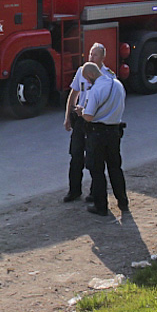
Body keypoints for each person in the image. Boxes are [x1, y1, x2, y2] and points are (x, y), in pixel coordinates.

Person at [62, 43, 114, 203]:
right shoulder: (82, 71)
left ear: (102, 57)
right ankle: (74, 191)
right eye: (90, 54)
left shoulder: (108, 76)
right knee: (75, 155)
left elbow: (108, 102)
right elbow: (74, 93)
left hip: (96, 122)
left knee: (94, 159)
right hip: (80, 119)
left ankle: (94, 193)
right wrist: (68, 116)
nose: (91, 57)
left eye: (95, 55)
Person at [75, 61, 128, 216]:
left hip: (97, 134)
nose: (88, 82)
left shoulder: (96, 89)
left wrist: (81, 111)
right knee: (115, 168)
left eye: (87, 78)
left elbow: (89, 116)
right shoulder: (118, 85)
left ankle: (101, 206)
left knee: (97, 170)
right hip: (114, 131)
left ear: (91, 74)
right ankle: (123, 201)